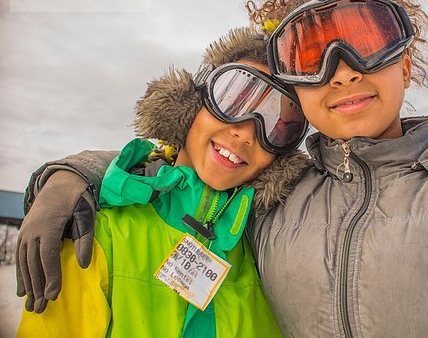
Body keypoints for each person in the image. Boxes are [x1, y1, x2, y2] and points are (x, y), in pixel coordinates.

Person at [17, 0, 428, 337]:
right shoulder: (279, 205)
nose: (342, 72)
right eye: (310, 56)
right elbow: (185, 182)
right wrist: (75, 175)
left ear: (407, 60)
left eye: (365, 43)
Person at [17, 27, 310, 337]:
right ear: (193, 102)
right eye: (234, 99)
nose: (247, 133)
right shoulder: (97, 234)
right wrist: (67, 175)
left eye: (280, 127)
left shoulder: (268, 253)